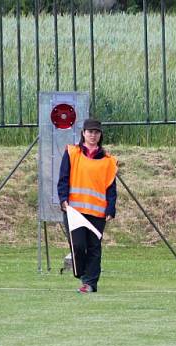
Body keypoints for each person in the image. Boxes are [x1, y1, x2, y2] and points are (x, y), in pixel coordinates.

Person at [58, 118, 118, 294]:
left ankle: (90, 283)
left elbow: (111, 188)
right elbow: (63, 179)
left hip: (98, 212)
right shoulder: (71, 153)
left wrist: (110, 208)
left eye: (96, 132)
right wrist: (63, 199)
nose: (93, 135)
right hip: (74, 210)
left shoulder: (108, 161)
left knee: (94, 248)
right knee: (77, 246)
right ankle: (83, 275)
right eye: (90, 132)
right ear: (83, 133)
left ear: (100, 136)